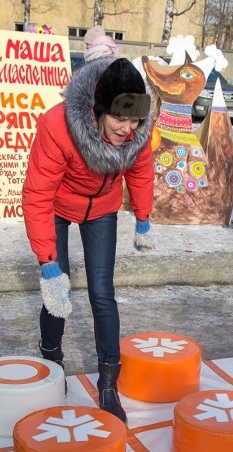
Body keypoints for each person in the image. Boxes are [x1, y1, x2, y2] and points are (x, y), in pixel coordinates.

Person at [22, 57, 155, 422]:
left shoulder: (139, 133)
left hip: (103, 208)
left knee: (102, 292)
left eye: (134, 120)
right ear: (98, 110)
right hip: (57, 205)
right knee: (58, 289)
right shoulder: (58, 125)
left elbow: (141, 172)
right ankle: (52, 361)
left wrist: (143, 217)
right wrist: (48, 262)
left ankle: (108, 385)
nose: (127, 129)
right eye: (119, 119)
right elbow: (37, 193)